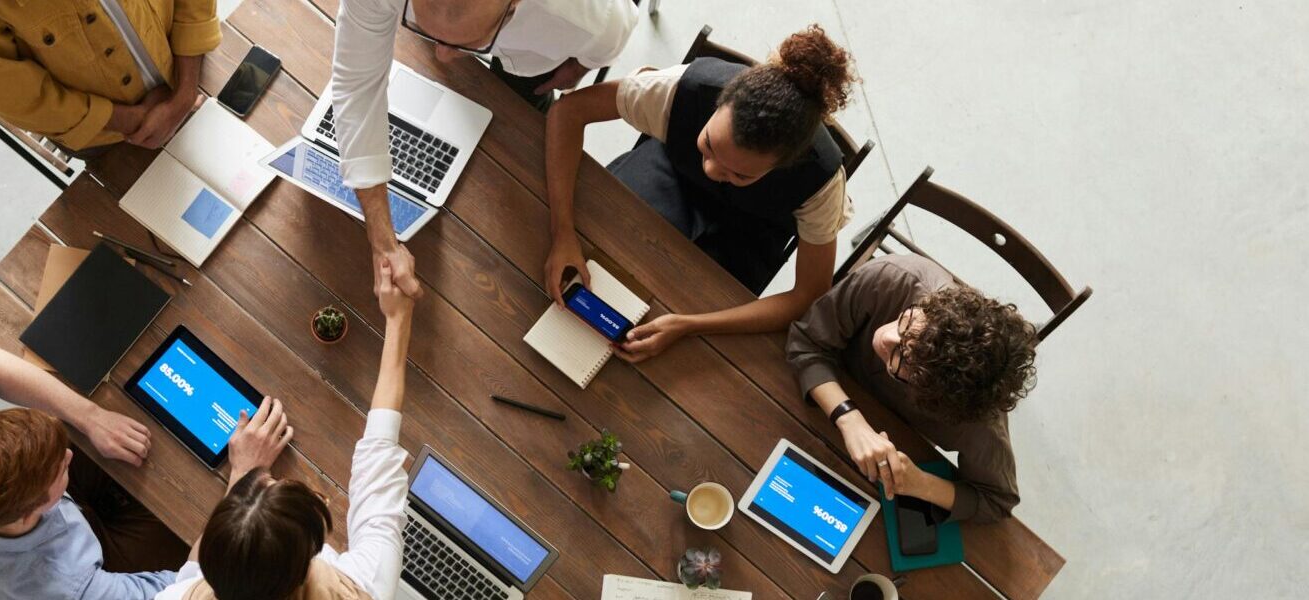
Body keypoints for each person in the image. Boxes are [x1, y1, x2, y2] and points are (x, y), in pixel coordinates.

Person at [543, 24, 859, 363]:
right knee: (602, 248)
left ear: (784, 166)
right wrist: (562, 232)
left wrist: (689, 325)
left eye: (739, 173)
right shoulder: (681, 89)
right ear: (718, 104)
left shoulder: (821, 182)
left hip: (752, 232)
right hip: (670, 174)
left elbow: (808, 294)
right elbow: (568, 112)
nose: (711, 170)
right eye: (709, 145)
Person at [331, 0, 638, 304]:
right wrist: (383, 243)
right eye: (431, 34)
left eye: (463, 44)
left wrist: (576, 68)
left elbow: (610, 40)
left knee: (524, 106)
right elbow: (356, 90)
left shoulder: (593, 20)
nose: (443, 56)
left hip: (530, 57)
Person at [156, 259, 416, 600]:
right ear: (306, 561)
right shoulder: (362, 587)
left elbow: (189, 577)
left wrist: (243, 473)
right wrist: (398, 318)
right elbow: (378, 469)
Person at [0, 344, 189, 599]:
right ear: (32, 511)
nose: (68, 455)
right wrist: (234, 485)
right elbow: (189, 592)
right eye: (60, 467)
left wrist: (91, 417)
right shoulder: (70, 588)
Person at [786, 255, 1039, 523]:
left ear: (933, 396)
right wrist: (851, 421)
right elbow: (806, 341)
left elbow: (996, 501)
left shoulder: (978, 420)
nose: (887, 337)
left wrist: (919, 483)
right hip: (812, 400)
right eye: (907, 323)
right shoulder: (893, 278)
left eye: (903, 359)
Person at [0, 0, 221, 154]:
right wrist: (135, 120)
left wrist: (183, 95)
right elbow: (20, 100)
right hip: (111, 138)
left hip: (188, 66)